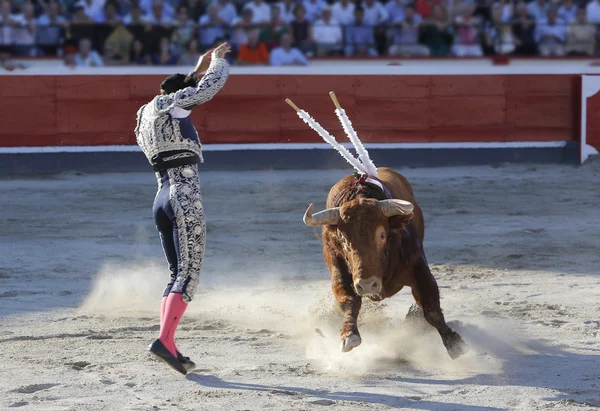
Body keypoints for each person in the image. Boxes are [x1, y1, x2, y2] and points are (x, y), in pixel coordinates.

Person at [134, 41, 231, 375]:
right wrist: (216, 64)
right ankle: (163, 339)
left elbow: (180, 89)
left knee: (176, 274)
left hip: (160, 196)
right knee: (188, 276)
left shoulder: (145, 115)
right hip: (183, 196)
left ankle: (171, 347)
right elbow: (203, 91)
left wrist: (195, 68)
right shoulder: (176, 106)